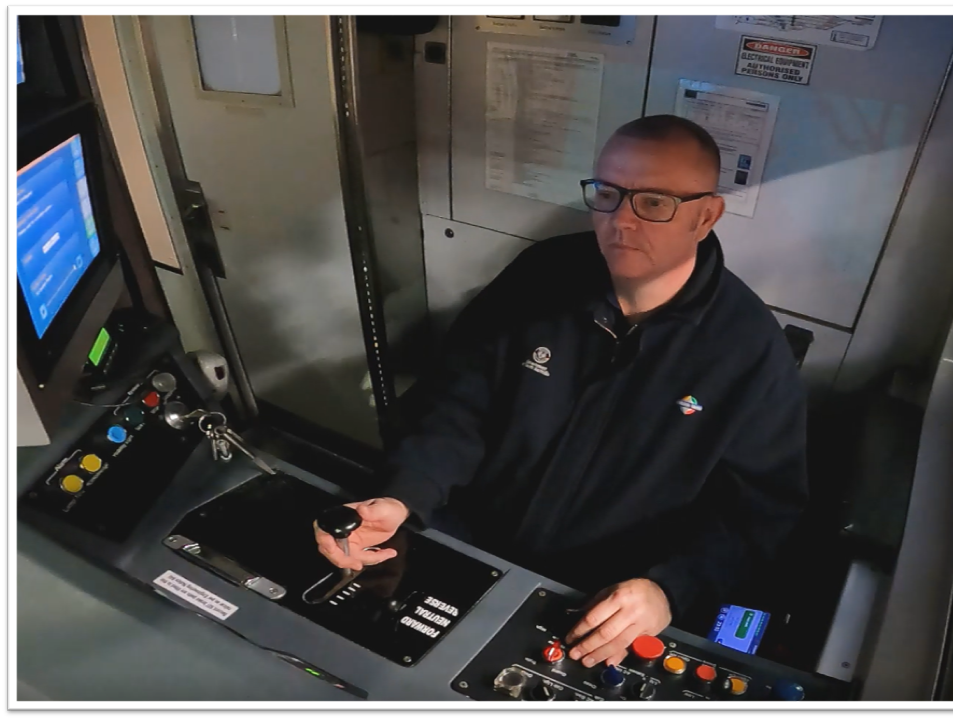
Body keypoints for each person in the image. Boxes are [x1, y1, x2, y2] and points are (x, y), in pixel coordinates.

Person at [315, 115, 809, 670]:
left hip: (601, 603)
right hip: (467, 545)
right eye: (608, 194)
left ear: (706, 215)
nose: (621, 220)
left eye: (652, 202)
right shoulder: (541, 275)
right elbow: (455, 406)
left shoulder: (749, 352)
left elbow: (758, 513)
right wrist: (405, 495)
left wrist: (668, 590)